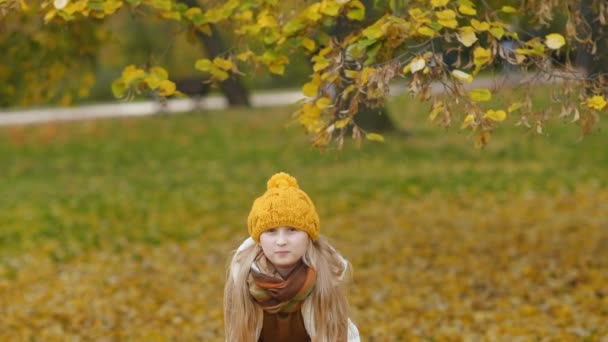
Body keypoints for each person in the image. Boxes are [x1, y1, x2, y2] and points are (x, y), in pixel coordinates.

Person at [224, 172, 360, 342]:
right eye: (271, 231)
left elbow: (340, 335)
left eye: (292, 230)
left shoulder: (326, 277)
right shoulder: (242, 280)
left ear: (308, 236)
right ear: (258, 240)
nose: (281, 241)